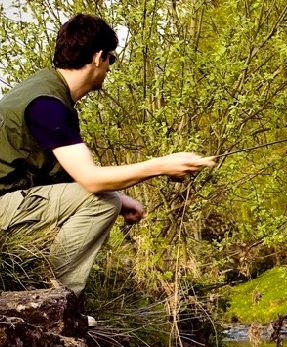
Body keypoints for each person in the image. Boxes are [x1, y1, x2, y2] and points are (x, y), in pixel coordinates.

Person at [0, 13, 215, 295]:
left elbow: (65, 176)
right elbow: (90, 180)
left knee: (108, 198)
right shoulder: (47, 105)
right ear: (98, 57)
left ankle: (46, 292)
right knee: (101, 202)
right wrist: (161, 165)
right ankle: (55, 297)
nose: (110, 68)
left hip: (7, 204)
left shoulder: (45, 90)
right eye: (111, 59)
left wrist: (122, 198)